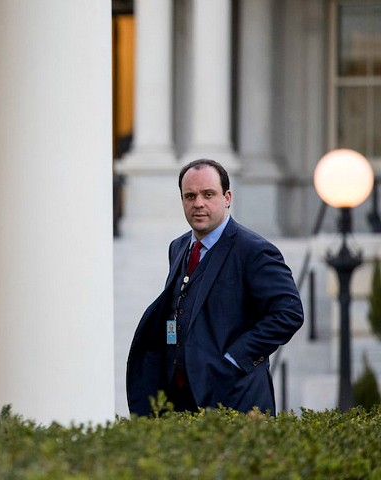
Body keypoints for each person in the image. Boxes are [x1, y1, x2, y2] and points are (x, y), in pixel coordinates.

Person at [126, 159, 304, 416]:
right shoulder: (178, 248)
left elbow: (288, 314)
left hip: (236, 401)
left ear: (227, 197)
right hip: (178, 404)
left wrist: (235, 359)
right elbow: (178, 310)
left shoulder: (254, 250)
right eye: (190, 196)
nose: (198, 203)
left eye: (208, 194)